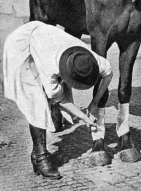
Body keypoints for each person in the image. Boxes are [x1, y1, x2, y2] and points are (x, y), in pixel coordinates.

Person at [3, 21, 113, 180]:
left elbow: (108, 74)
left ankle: (36, 155)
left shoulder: (88, 58)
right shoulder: (51, 66)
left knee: (49, 95)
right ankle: (40, 157)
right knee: (37, 103)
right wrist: (82, 116)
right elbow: (58, 98)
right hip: (21, 46)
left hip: (45, 38)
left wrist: (94, 103)